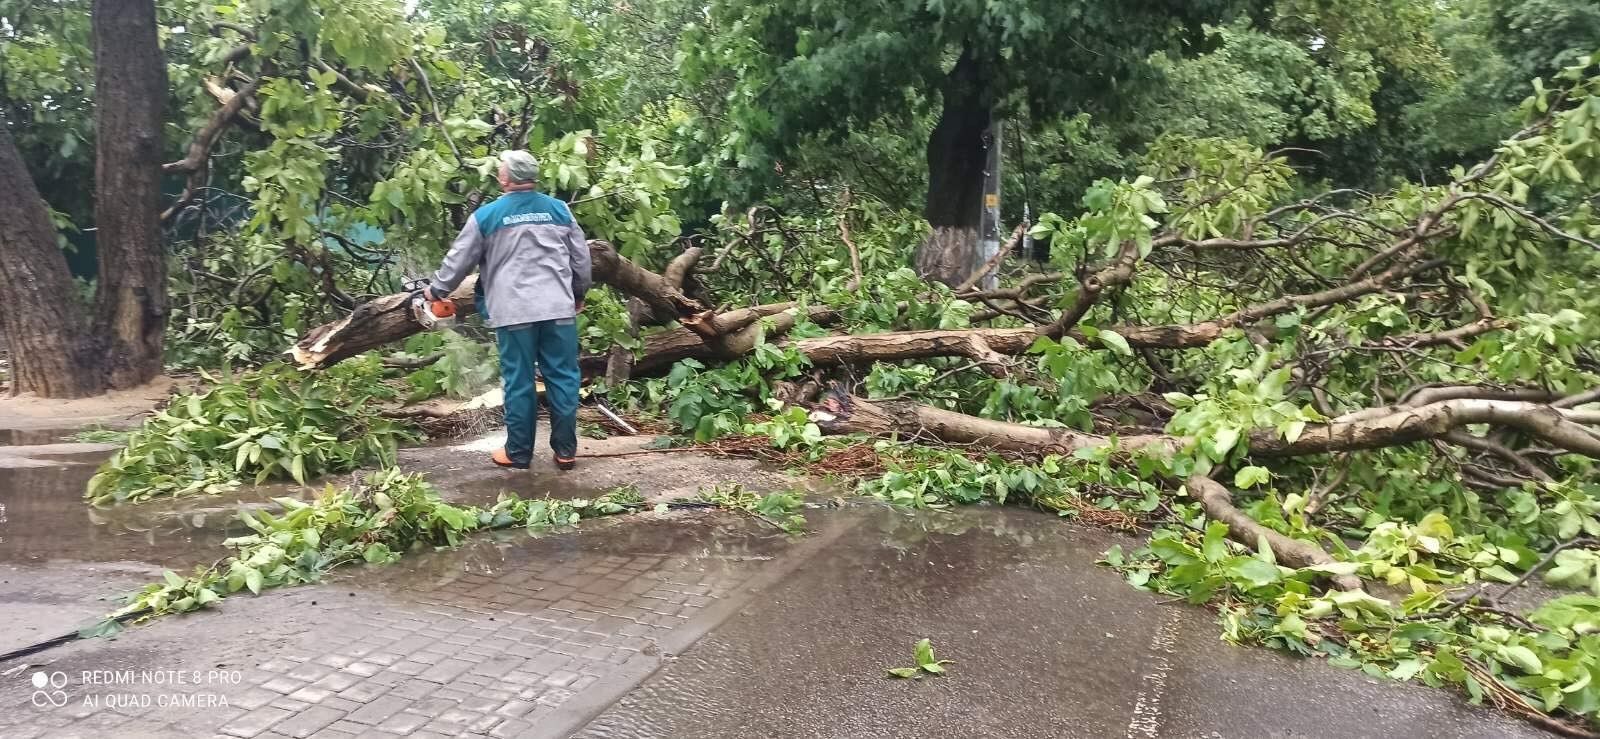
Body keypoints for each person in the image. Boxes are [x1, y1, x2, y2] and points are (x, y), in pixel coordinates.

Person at [424, 150, 591, 470]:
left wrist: (436, 290)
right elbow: (581, 258)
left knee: (519, 381)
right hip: (558, 309)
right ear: (532, 177)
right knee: (564, 377)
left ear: (505, 179)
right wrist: (578, 293)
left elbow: (459, 259)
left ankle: (518, 453)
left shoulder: (487, 216)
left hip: (514, 314)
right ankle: (566, 451)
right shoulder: (559, 210)